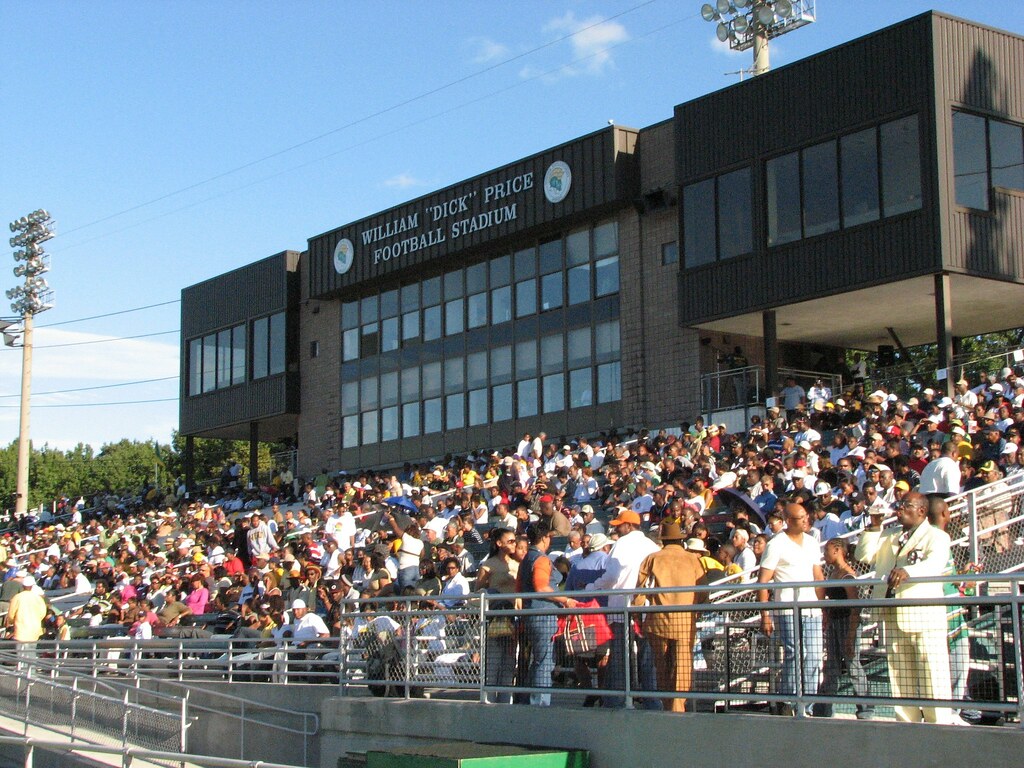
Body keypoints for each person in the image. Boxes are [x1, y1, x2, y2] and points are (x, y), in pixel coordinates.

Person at [855, 492, 955, 724]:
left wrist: (909, 571)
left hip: (924, 615)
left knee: (932, 673)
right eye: (899, 505)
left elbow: (935, 563)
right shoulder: (889, 535)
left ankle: (938, 723)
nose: (900, 509)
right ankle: (906, 722)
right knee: (899, 674)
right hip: (892, 612)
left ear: (921, 510)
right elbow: (863, 555)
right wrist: (874, 526)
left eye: (906, 505)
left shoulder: (937, 536)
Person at [586, 509, 660, 708]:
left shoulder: (622, 544)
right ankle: (653, 702)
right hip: (645, 608)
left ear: (629, 526)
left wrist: (593, 587)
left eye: (620, 525)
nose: (616, 528)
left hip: (622, 607)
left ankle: (617, 702)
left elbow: (611, 576)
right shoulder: (651, 545)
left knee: (620, 657)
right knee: (648, 658)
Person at [757, 503, 825, 716]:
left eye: (806, 516)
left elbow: (818, 576)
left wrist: (822, 606)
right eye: (799, 518)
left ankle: (808, 706)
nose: (805, 521)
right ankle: (788, 700)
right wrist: (765, 615)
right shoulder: (776, 544)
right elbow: (763, 581)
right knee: (794, 654)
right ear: (788, 520)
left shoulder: (813, 542)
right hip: (787, 608)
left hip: (811, 609)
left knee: (813, 655)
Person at [632, 520, 706, 712]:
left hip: (658, 621)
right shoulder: (693, 559)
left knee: (662, 664)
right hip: (685, 620)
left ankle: (667, 705)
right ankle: (678, 705)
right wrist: (696, 608)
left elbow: (639, 590)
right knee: (682, 664)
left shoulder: (653, 558)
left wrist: (636, 613)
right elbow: (703, 591)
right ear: (680, 540)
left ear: (663, 540)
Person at [515, 522, 578, 706]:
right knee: (544, 662)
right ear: (544, 538)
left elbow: (519, 588)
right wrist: (565, 600)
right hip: (542, 615)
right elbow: (542, 587)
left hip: (530, 614)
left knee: (537, 661)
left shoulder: (526, 558)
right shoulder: (540, 559)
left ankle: (529, 701)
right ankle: (540, 704)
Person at [817, 539, 873, 719]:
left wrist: (850, 634)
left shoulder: (846, 575)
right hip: (834, 622)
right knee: (831, 666)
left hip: (846, 622)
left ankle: (865, 709)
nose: (825, 555)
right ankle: (824, 709)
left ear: (837, 550)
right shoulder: (833, 573)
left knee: (852, 665)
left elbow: (855, 605)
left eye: (827, 551)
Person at [6, 575, 47, 666]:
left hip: (21, 629)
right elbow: (43, 613)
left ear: (23, 586)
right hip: (34, 630)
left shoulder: (17, 597)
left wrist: (13, 621)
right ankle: (31, 673)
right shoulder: (38, 598)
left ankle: (23, 674)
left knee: (21, 654)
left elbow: (11, 614)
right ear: (32, 586)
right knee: (32, 652)